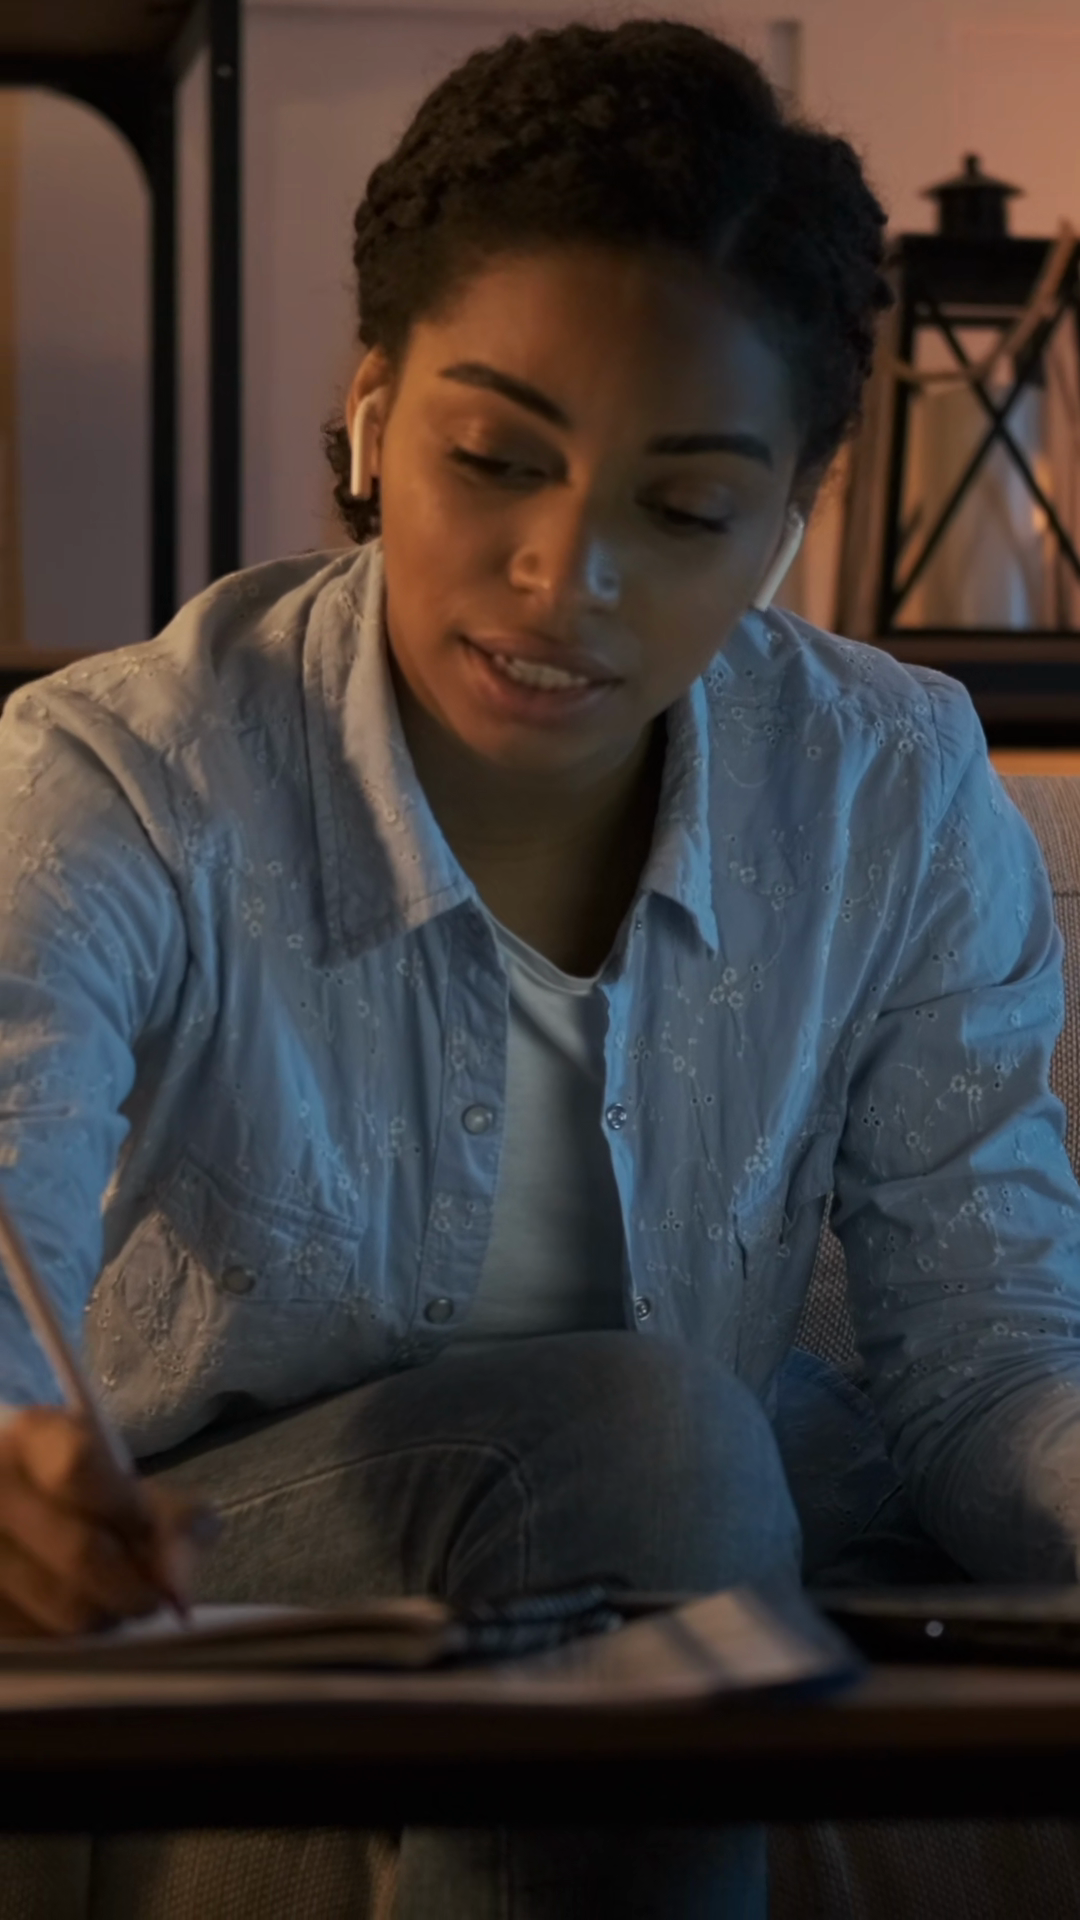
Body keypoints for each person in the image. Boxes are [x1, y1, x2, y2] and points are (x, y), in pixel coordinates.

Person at [1, 15, 1080, 1916]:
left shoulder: (891, 787)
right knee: (649, 1436)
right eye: (495, 456)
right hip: (227, 1577)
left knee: (708, 1474)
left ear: (791, 518)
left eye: (685, 510)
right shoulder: (128, 774)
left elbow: (987, 1353)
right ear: (371, 413)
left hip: (694, 1565)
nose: (566, 575)